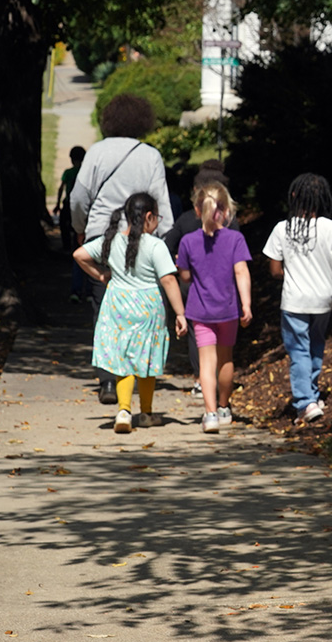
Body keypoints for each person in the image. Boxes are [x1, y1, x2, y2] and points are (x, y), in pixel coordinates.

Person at [70, 94, 173, 405]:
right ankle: (139, 372)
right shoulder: (151, 155)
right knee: (139, 311)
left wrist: (79, 228)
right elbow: (161, 202)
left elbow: (79, 197)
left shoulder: (97, 152)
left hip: (103, 239)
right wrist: (164, 244)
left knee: (104, 312)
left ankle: (108, 381)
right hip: (141, 241)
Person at [72, 193, 187, 433]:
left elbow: (79, 255)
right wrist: (180, 313)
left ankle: (124, 411)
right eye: (157, 216)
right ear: (148, 217)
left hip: (118, 305)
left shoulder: (111, 240)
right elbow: (168, 280)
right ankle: (145, 413)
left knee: (122, 359)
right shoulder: (156, 245)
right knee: (146, 358)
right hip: (148, 307)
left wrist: (102, 275)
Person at [262, 173, 332, 425]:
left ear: (293, 196)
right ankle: (311, 393)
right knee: (315, 345)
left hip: (294, 300)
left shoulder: (283, 228)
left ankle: (305, 402)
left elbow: (274, 269)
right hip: (323, 298)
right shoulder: (330, 228)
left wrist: (293, 271)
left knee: (298, 351)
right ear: (322, 198)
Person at [175, 182, 253, 433]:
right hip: (228, 310)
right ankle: (223, 407)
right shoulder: (235, 239)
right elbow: (241, 271)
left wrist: (185, 268)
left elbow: (185, 276)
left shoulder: (188, 241)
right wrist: (246, 304)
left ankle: (209, 415)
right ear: (227, 210)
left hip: (200, 310)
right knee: (226, 359)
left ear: (198, 210)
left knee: (206, 363)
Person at [164, 169, 241, 401]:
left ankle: (199, 378)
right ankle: (223, 400)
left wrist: (177, 265)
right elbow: (238, 261)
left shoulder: (186, 220)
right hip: (224, 292)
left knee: (196, 339)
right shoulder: (231, 225)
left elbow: (167, 244)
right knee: (225, 353)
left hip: (194, 288)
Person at [55, 145, 88, 303]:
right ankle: (88, 291)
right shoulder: (85, 174)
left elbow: (61, 188)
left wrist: (57, 204)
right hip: (84, 211)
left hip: (69, 205)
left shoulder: (68, 173)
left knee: (65, 227)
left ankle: (66, 245)